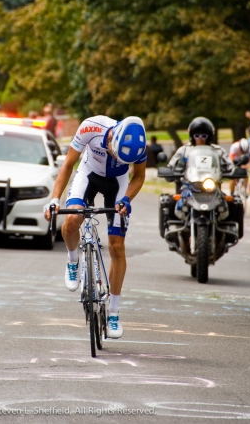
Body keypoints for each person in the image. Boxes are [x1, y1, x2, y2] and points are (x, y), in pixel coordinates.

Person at [44, 116, 147, 339]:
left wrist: (127, 199)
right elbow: (69, 165)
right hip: (88, 174)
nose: (114, 157)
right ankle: (73, 260)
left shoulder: (138, 144)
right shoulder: (91, 127)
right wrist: (54, 200)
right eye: (113, 152)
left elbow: (138, 176)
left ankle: (114, 313)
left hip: (118, 183)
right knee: (72, 220)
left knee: (117, 247)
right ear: (111, 138)